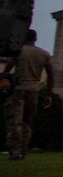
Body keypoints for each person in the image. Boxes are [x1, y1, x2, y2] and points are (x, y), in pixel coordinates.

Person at [3, 29, 50, 161]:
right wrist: (49, 94)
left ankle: (15, 151)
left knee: (15, 121)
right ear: (35, 39)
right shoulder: (43, 54)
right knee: (27, 122)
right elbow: (50, 75)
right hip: (34, 89)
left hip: (18, 88)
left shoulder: (18, 52)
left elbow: (7, 71)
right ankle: (23, 150)